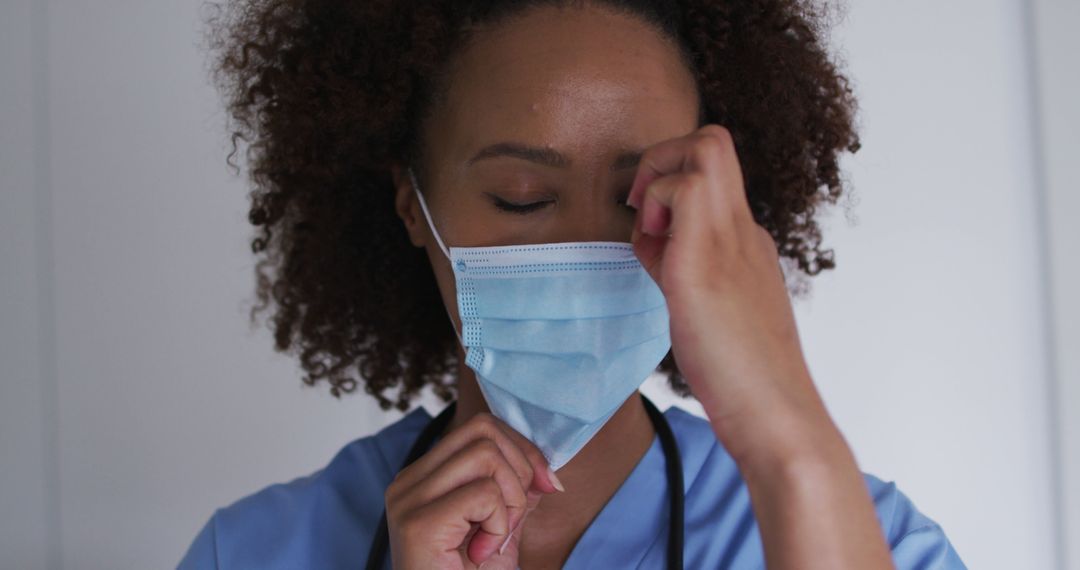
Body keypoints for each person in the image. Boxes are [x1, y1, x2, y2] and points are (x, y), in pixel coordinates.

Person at [181, 0, 967, 568]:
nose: (591, 245)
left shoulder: (875, 542)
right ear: (411, 207)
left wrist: (788, 435)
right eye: (521, 197)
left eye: (644, 199)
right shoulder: (252, 552)